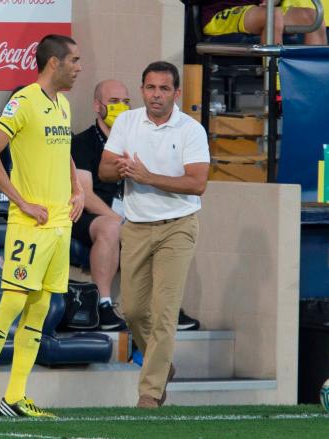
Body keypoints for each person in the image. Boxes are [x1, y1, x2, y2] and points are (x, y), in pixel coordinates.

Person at [0, 34, 84, 419]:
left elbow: (63, 151)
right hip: (30, 225)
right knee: (13, 302)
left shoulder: (62, 104)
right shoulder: (24, 101)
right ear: (54, 63)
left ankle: (14, 397)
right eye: (75, 60)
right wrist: (21, 201)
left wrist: (78, 188)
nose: (79, 68)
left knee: (41, 308)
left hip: (60, 224)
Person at [99, 61, 210, 408]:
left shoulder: (191, 130)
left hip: (178, 227)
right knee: (131, 311)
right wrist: (121, 168)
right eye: (150, 88)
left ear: (176, 93)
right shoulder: (127, 122)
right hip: (135, 226)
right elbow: (103, 170)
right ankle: (162, 367)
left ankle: (149, 394)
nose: (156, 95)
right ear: (143, 89)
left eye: (164, 89)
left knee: (164, 312)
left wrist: (148, 177)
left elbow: (198, 183)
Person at [71, 80, 128, 331]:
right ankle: (103, 305)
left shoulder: (135, 142)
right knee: (110, 227)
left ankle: (160, 307)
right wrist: (118, 220)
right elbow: (85, 193)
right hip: (87, 214)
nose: (121, 107)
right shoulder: (83, 142)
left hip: (126, 214)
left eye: (126, 102)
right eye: (114, 102)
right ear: (97, 105)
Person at [202, 0, 327, 44]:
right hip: (217, 13)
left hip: (256, 9)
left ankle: (316, 89)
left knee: (313, 17)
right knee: (273, 16)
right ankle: (279, 90)